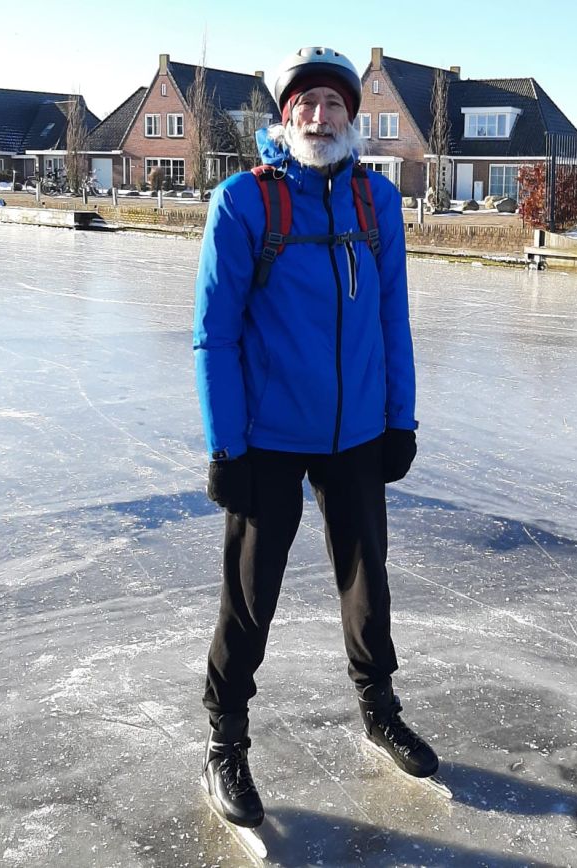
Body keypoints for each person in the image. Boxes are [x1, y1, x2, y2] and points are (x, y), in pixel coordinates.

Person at [192, 46, 438, 831]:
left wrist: (400, 419)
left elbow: (392, 319)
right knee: (249, 597)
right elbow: (214, 335)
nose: (320, 117)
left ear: (351, 118)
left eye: (335, 104)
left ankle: (379, 711)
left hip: (357, 432)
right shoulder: (244, 202)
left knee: (369, 586)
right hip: (267, 438)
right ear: (284, 114)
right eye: (307, 103)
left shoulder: (375, 202)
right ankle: (224, 742)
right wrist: (225, 446)